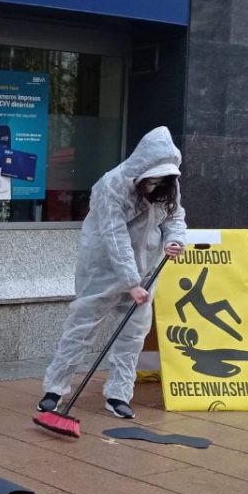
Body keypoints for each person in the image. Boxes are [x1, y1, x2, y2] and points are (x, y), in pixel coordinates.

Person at [38, 126, 187, 420]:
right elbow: (114, 236)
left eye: (161, 179)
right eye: (152, 179)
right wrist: (131, 282)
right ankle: (54, 390)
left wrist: (174, 240)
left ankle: (119, 394)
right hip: (103, 268)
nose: (155, 184)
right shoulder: (111, 185)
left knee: (133, 335)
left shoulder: (168, 184)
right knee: (82, 328)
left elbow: (176, 216)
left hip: (146, 266)